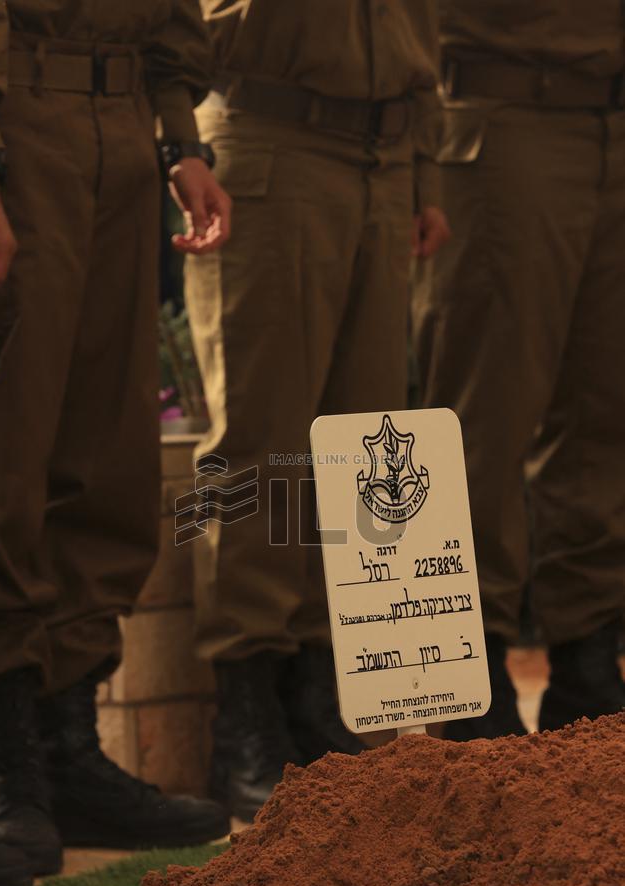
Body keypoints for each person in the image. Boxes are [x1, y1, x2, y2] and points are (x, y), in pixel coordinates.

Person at [0, 0, 232, 877]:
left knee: (107, 456)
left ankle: (68, 752)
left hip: (124, 128)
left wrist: (182, 139)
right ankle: (7, 769)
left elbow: (172, 19)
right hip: (16, 117)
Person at [185, 0, 450, 821]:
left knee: (358, 445)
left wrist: (425, 167)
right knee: (256, 438)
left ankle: (314, 685)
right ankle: (245, 704)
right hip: (268, 133)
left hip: (385, 149)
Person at [411, 0, 625, 739]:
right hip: (502, 110)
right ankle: (461, 674)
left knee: (606, 411)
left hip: (612, 117)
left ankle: (588, 656)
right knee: (480, 417)